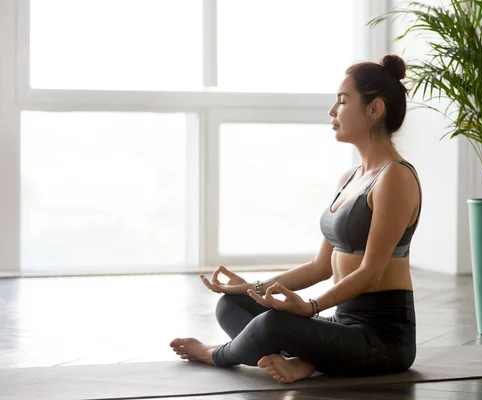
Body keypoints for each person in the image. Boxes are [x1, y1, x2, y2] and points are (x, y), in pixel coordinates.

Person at [170, 53, 422, 384]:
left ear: (374, 110)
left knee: (272, 325)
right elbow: (320, 267)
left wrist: (310, 307)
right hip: (342, 325)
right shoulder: (349, 178)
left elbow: (372, 273)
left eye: (343, 102)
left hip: (382, 340)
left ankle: (216, 354)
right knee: (232, 305)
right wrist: (253, 288)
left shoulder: (395, 178)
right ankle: (308, 360)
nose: (332, 111)